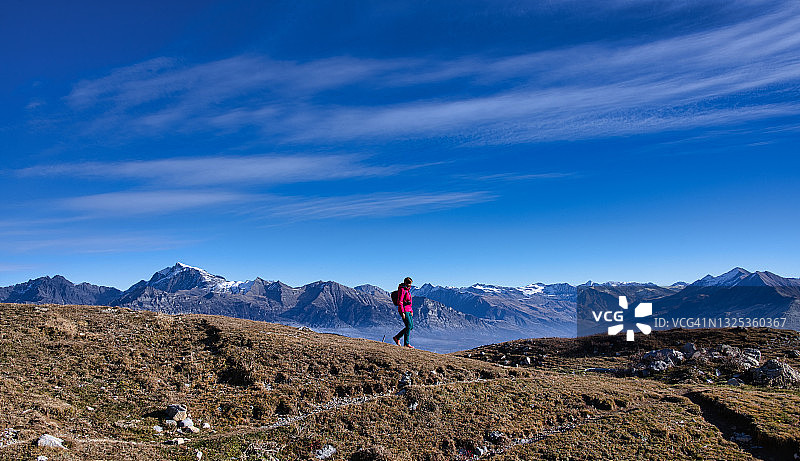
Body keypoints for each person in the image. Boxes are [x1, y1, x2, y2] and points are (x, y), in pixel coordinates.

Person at [392, 277, 414, 348]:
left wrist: (411, 311)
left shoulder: (408, 290)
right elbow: (400, 301)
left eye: (410, 284)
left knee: (411, 326)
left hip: (408, 310)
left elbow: (409, 302)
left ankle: (397, 337)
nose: (409, 285)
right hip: (404, 310)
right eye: (408, 283)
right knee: (408, 326)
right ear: (405, 283)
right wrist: (402, 312)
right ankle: (406, 343)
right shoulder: (402, 290)